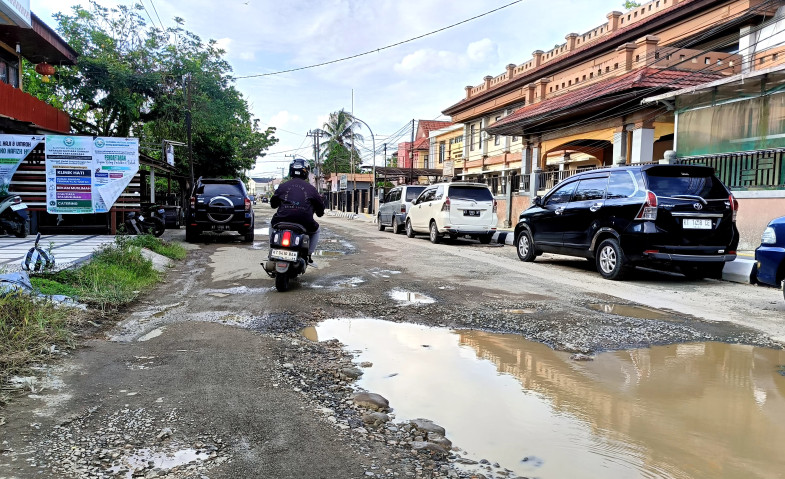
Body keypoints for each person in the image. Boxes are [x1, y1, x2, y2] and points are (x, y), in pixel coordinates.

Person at [270, 158, 325, 263]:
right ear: (306, 172)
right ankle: (308, 255)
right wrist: (318, 212)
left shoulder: (282, 186)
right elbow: (320, 210)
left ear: (291, 170)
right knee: (316, 230)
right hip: (304, 222)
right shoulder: (311, 189)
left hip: (281, 220)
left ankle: (272, 249)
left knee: (272, 225)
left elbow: (273, 204)